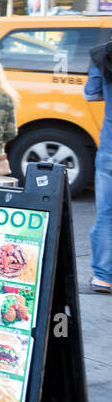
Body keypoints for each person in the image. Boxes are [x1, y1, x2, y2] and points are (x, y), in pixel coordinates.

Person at [84, 43, 112, 293]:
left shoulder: (103, 55)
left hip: (110, 149)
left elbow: (91, 94)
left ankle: (104, 276)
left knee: (107, 214)